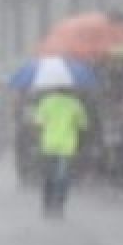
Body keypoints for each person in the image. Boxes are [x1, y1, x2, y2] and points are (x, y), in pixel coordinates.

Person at [34, 87, 89, 219]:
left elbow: (39, 122)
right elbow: (83, 125)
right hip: (67, 146)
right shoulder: (75, 104)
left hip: (49, 145)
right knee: (62, 177)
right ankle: (59, 204)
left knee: (49, 175)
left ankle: (47, 203)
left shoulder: (46, 102)